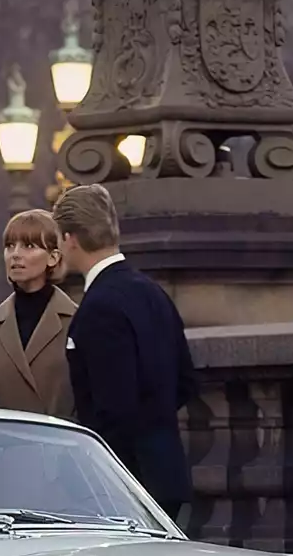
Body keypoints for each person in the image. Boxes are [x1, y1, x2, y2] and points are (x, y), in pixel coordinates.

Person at [52, 184, 197, 518]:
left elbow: (112, 408)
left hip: (123, 484)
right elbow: (186, 381)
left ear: (70, 239)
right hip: (165, 471)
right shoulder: (153, 293)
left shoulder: (99, 306)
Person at [0, 209, 78, 418]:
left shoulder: (78, 323)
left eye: (29, 246)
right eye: (10, 246)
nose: (15, 254)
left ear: (53, 257)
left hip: (58, 437)